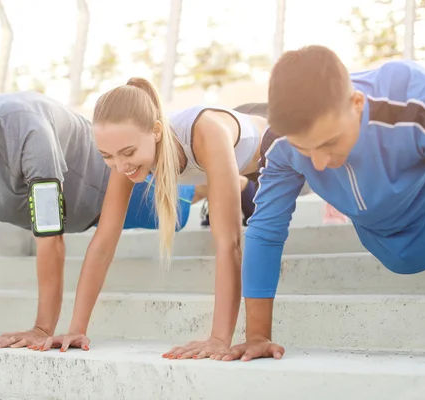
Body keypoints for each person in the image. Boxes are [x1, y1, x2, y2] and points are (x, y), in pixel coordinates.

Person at [0, 78, 197, 347]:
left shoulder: (27, 132)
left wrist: (42, 328)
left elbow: (50, 236)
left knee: (180, 205)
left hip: (113, 187)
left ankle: (228, 183)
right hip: (80, 212)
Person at [210, 45, 425, 362]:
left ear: (357, 104)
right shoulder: (280, 143)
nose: (321, 162)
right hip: (386, 241)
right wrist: (257, 335)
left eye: (329, 143)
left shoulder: (413, 100)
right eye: (305, 150)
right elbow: (265, 232)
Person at [40, 78, 275, 359]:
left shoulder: (205, 132)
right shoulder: (124, 157)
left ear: (156, 131)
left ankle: (241, 186)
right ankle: (239, 185)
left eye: (128, 153)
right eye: (107, 156)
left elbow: (230, 244)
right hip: (241, 161)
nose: (120, 165)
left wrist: (218, 338)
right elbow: (103, 242)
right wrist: (76, 328)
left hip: (275, 139)